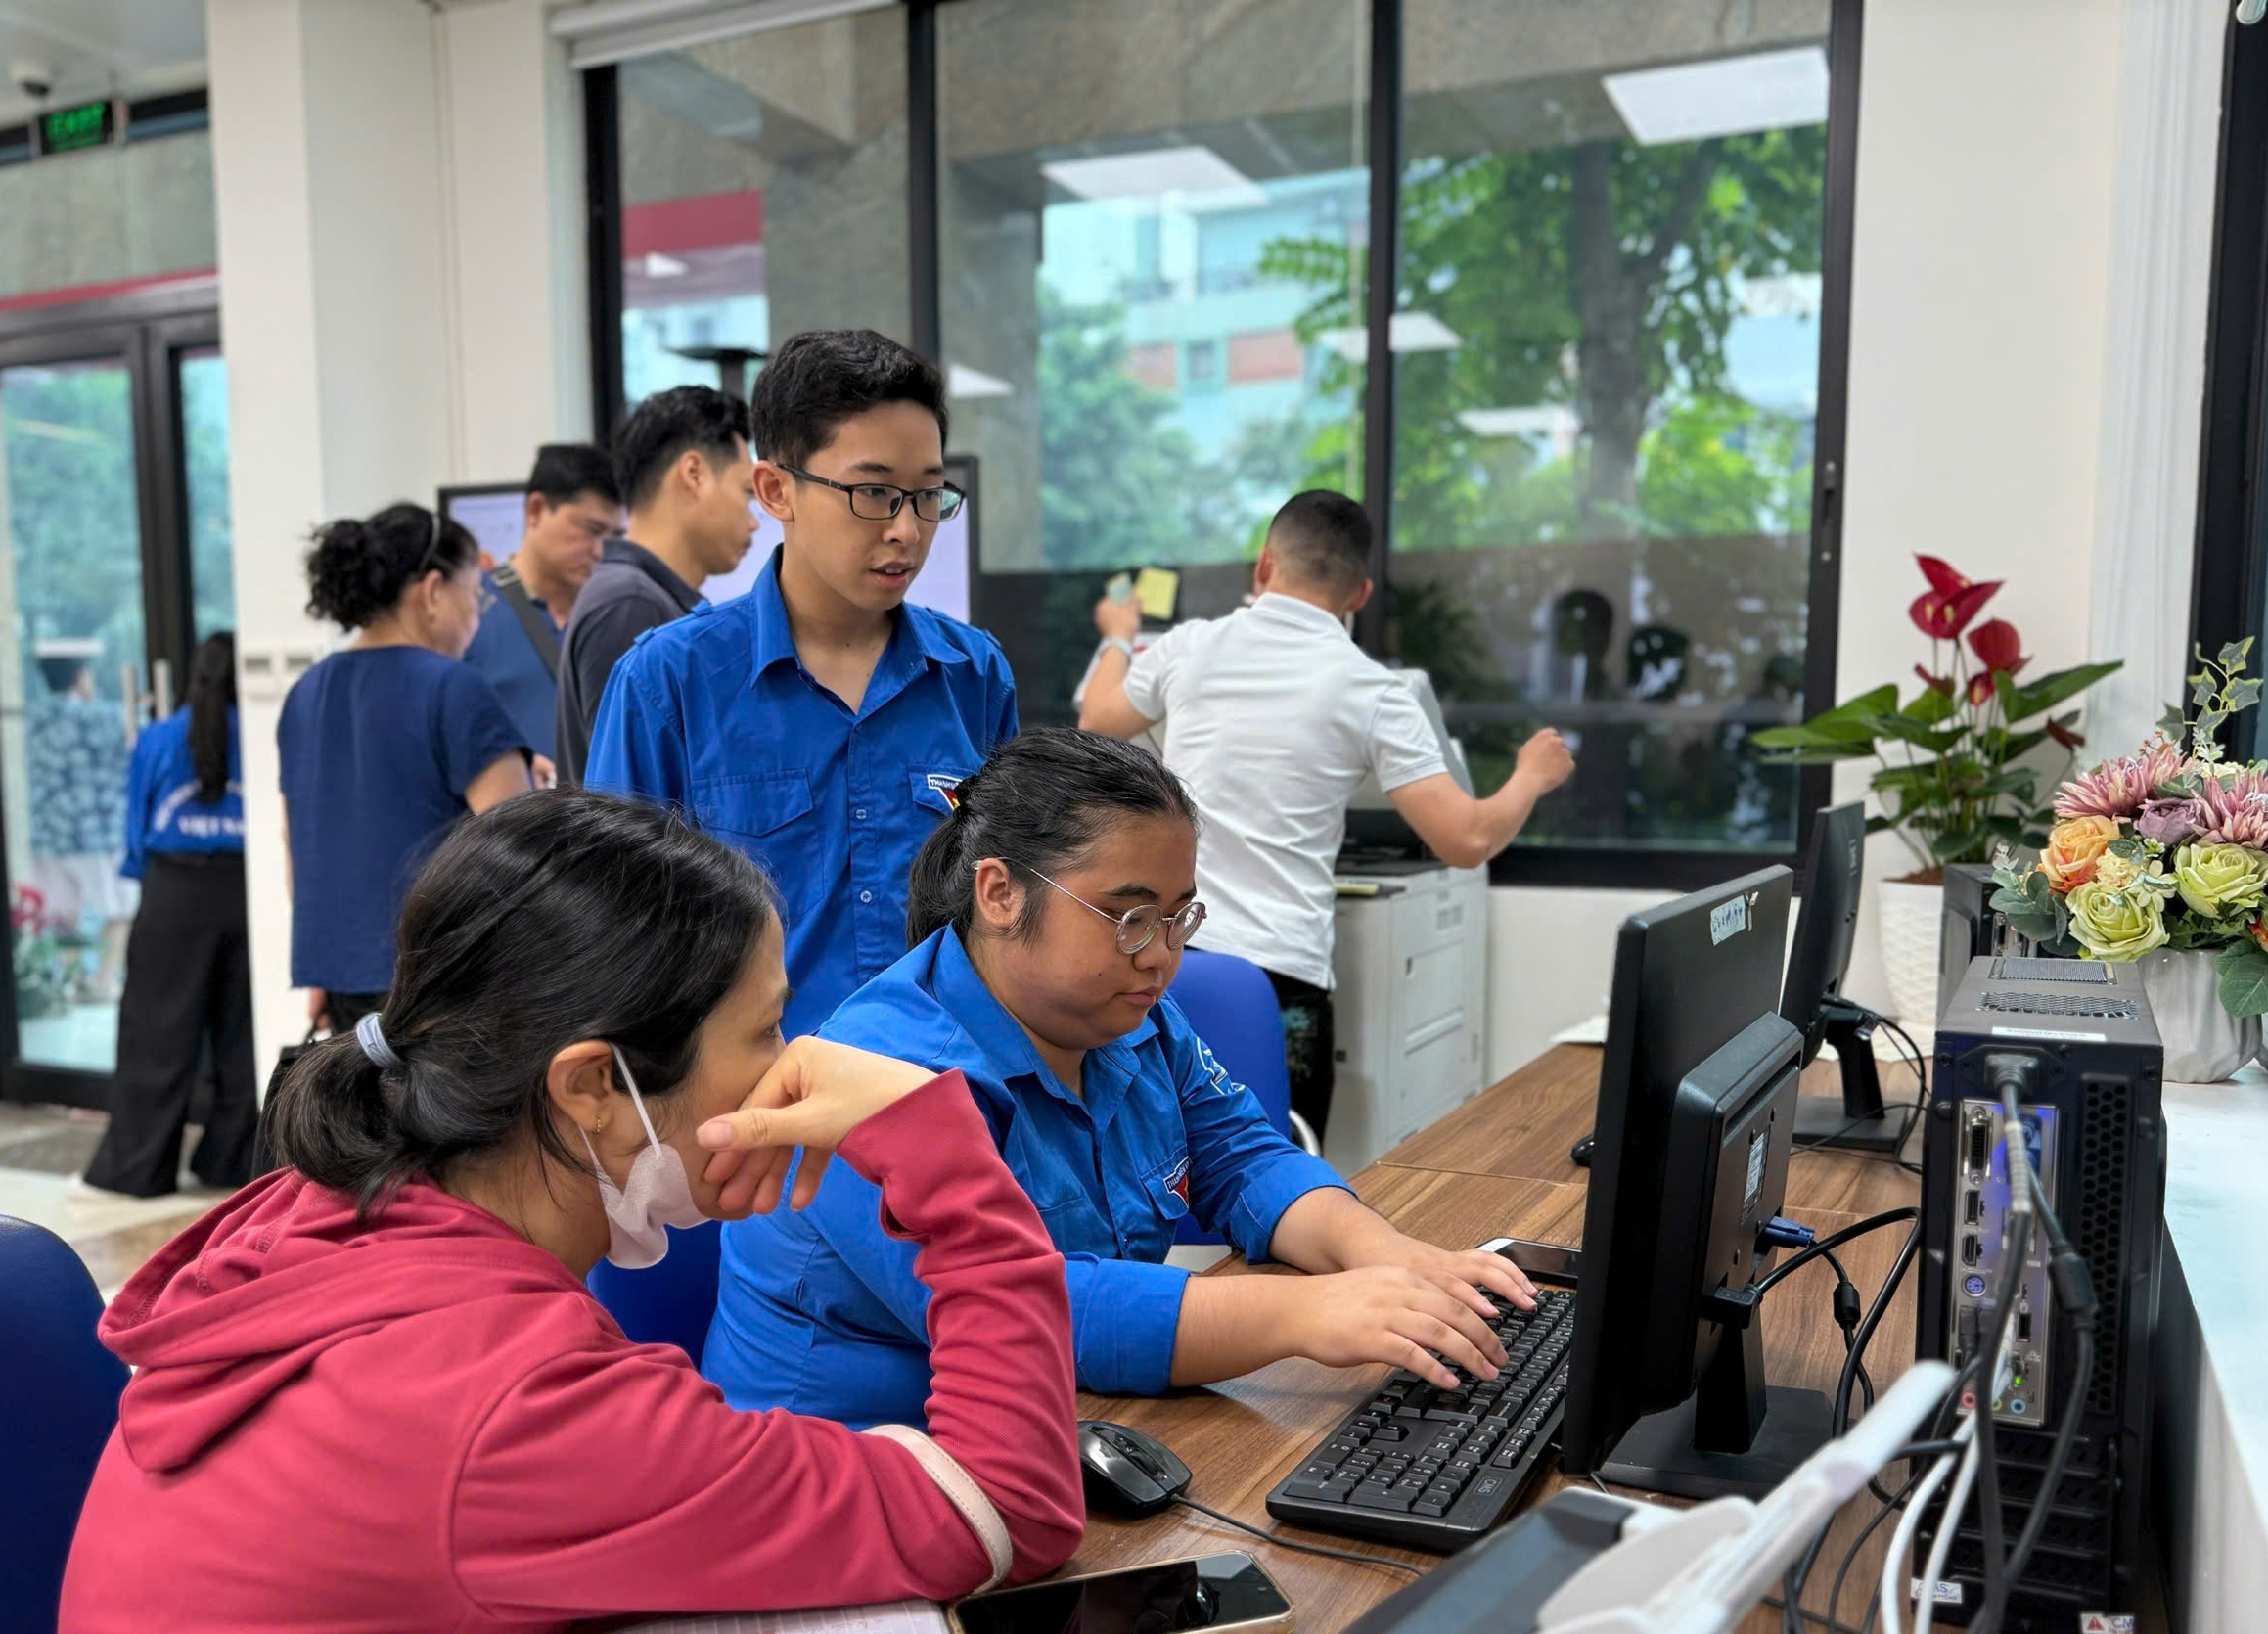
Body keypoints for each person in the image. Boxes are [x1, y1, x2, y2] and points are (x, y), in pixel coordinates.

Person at [54, 791, 1085, 1634]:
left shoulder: (331, 1211)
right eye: (764, 1031)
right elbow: (1007, 1507)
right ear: (594, 1085)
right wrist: (942, 1151)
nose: (797, 1065)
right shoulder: (505, 1396)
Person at [706, 727, 1538, 1430]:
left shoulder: (1127, 1016)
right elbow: (1033, 1313)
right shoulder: (880, 1075)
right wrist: (1309, 1312)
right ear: (1000, 892)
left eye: (1178, 916)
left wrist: (1387, 1258)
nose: (1162, 955)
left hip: (1072, 1424)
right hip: (854, 1464)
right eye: (1130, 917)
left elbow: (1245, 1158)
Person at [1079, 490, 1575, 1136]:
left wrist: (1118, 636)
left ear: (1264, 565)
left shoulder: (1191, 646)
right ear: (1360, 594)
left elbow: (1098, 717)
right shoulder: (1372, 690)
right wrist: (1531, 775)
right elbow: (1468, 838)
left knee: (1158, 1163)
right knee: (1273, 1170)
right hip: (1280, 984)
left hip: (1173, 967)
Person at [587, 329, 1017, 1039]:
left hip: (945, 1080)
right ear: (775, 489)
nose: (907, 530)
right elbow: (615, 932)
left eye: (927, 495)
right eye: (874, 492)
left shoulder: (974, 676)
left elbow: (1002, 911)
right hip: (760, 1095)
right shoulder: (669, 683)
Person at [279, 504, 534, 1033]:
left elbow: (297, 841)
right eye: (475, 595)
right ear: (433, 590)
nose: (477, 617)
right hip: (443, 987)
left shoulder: (306, 693)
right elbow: (522, 850)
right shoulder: (453, 688)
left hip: (342, 979)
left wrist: (326, 973)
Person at [78, 634, 255, 1197]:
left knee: (156, 1035)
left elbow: (136, 832)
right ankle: (233, 1162)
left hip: (173, 891)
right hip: (246, 891)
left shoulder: (158, 737)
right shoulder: (259, 733)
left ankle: (139, 1168)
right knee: (242, 1038)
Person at [552, 386, 756, 785]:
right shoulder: (631, 605)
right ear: (693, 474)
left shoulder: (635, 595)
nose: (753, 521)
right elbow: (625, 799)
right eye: (747, 493)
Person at [464, 442, 623, 769]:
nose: (600, 551)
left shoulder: (616, 617)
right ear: (535, 510)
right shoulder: (472, 612)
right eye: (591, 530)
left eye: (615, 537)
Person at [24, 637, 136, 999]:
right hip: (96, 834)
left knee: (61, 915)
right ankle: (103, 983)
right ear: (81, 676)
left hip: (49, 834)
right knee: (119, 910)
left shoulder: (33, 718)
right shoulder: (103, 716)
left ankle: (69, 984)